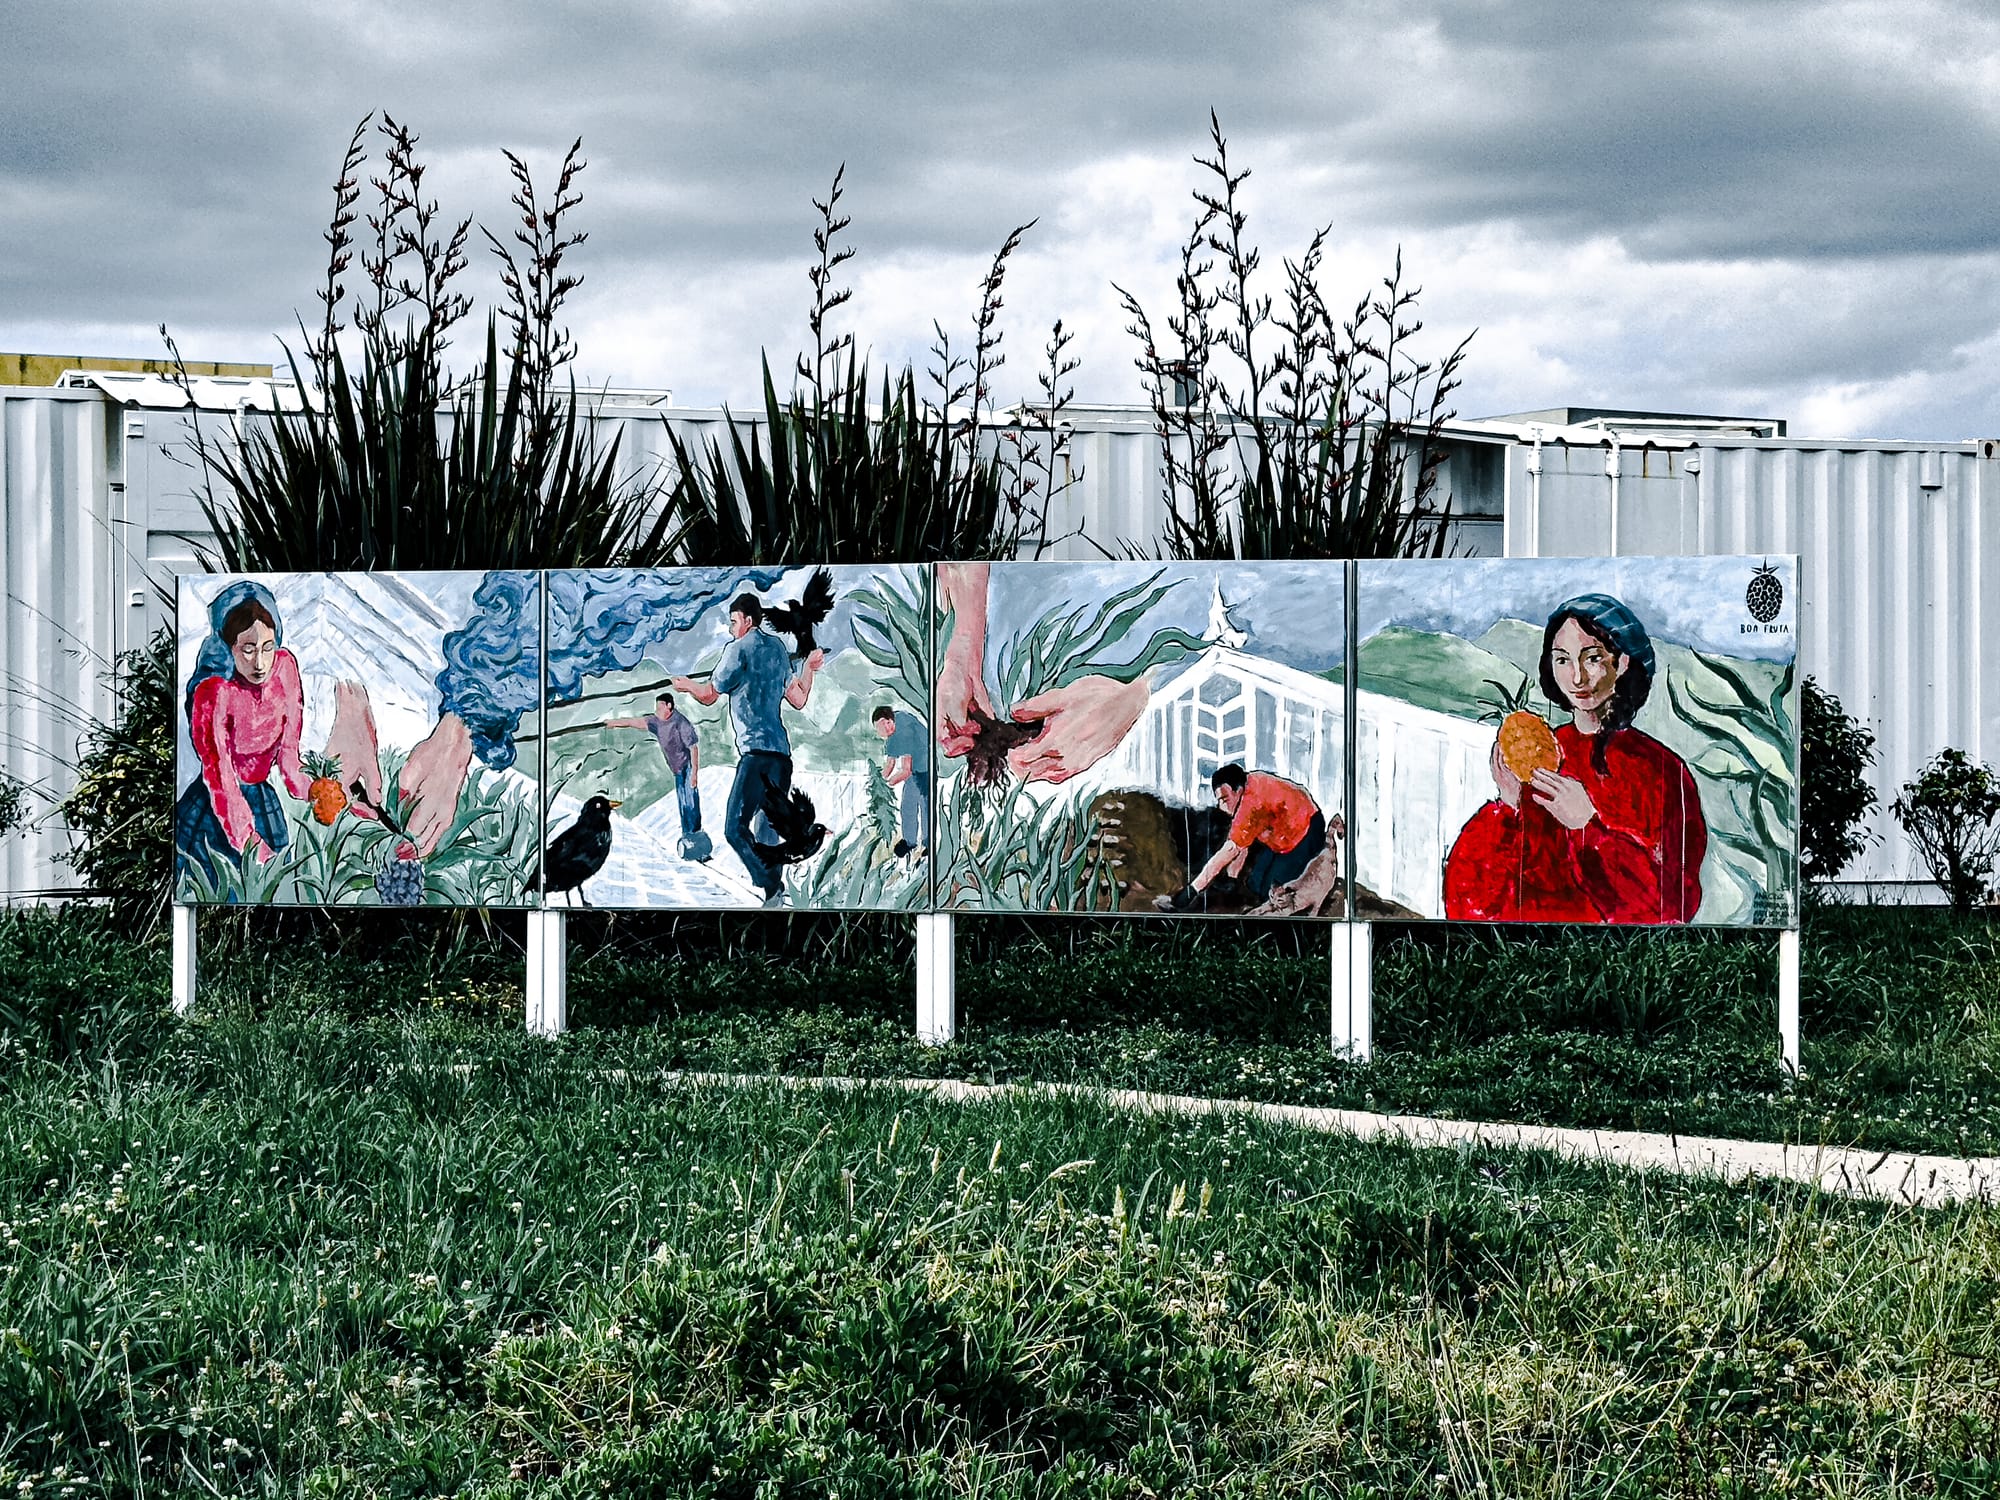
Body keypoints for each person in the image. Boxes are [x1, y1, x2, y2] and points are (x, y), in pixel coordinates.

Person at [1443, 593, 1707, 923]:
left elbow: (1674, 906)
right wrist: (1510, 808)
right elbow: (1470, 902)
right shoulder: (1544, 755)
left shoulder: (1662, 770)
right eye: (1563, 660)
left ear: (1622, 663)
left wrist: (1587, 826)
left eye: (1593, 658)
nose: (1578, 678)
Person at [672, 592, 826, 906]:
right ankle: (775, 895)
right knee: (767, 831)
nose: (730, 628)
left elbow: (709, 695)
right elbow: (799, 700)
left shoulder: (737, 649)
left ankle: (770, 885)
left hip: (755, 755)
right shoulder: (778, 649)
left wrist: (686, 685)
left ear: (747, 621)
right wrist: (809, 668)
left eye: (733, 622)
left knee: (733, 828)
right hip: (781, 758)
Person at [174, 581, 317, 882]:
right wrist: (251, 844)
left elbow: (289, 758)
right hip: (215, 811)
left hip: (263, 805)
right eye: (248, 650)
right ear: (228, 648)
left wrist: (318, 792)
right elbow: (221, 777)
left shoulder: (285, 669)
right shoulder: (213, 692)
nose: (260, 663)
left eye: (268, 647)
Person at [1158, 763, 1337, 910]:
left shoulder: (1251, 804)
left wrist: (1190, 892)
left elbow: (1231, 849)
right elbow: (1243, 843)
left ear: (1238, 790)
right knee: (1254, 882)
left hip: (1306, 830)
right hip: (1282, 834)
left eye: (1225, 799)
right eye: (1219, 800)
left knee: (1271, 890)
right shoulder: (1250, 783)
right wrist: (1231, 879)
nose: (1222, 807)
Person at [603, 693, 704, 855]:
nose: (657, 710)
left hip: (687, 767)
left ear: (669, 706)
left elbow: (693, 747)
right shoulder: (656, 722)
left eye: (659, 707)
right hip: (677, 770)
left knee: (690, 804)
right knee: (683, 805)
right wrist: (614, 723)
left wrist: (694, 774)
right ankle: (688, 840)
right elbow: (634, 722)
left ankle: (697, 841)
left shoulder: (680, 722)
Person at [871, 705, 930, 857]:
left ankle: (928, 842)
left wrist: (888, 785)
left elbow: (906, 770)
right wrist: (879, 782)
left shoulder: (903, 730)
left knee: (925, 805)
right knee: (908, 805)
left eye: (880, 727)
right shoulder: (892, 735)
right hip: (914, 769)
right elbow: (890, 764)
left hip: (925, 767)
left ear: (889, 722)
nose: (879, 732)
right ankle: (909, 841)